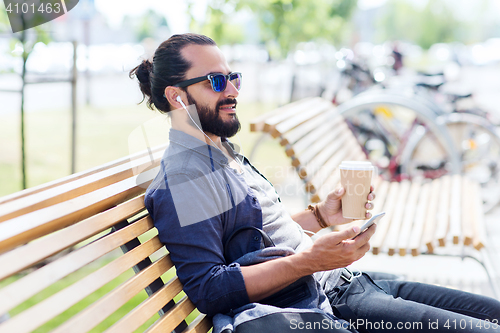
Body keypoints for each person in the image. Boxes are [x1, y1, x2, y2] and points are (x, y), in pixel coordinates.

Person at [131, 33, 500, 333]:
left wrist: (321, 217)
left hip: (349, 283)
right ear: (177, 96)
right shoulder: (183, 178)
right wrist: (307, 261)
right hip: (327, 304)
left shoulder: (217, 148)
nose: (232, 90)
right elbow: (208, 288)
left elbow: (254, 233)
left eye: (233, 77)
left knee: (493, 314)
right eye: (216, 81)